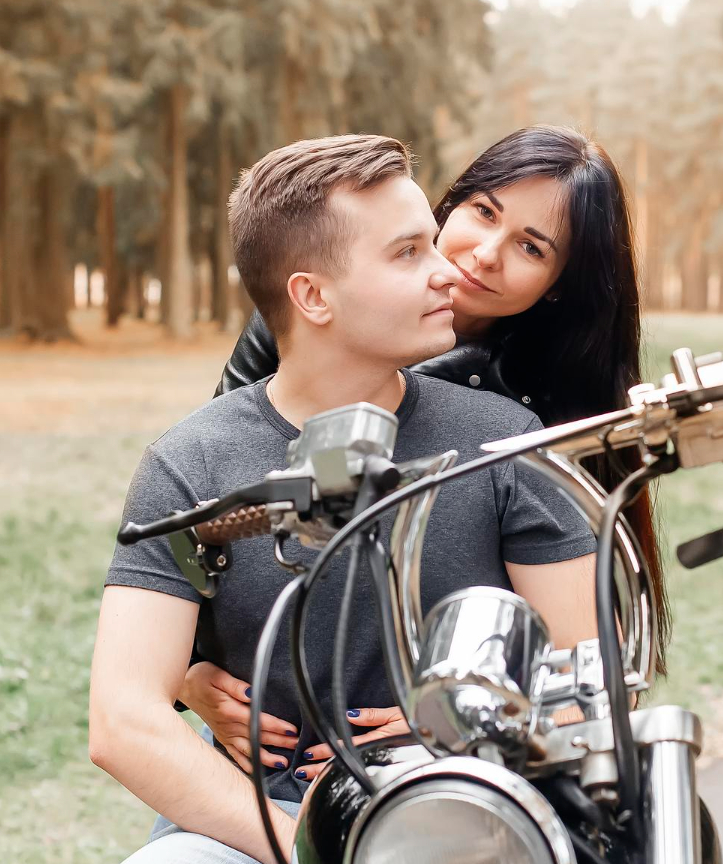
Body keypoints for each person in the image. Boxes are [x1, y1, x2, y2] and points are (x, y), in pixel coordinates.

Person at [63, 134, 599, 864]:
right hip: (261, 838)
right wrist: (308, 853)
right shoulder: (190, 461)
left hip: (468, 846)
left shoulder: (508, 440)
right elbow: (123, 719)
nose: (448, 269)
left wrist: (474, 736)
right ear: (313, 297)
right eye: (409, 253)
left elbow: (583, 685)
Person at [179, 125, 670, 778]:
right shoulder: (316, 311)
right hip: (275, 747)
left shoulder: (532, 411)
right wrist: (192, 674)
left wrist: (459, 719)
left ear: (558, 284)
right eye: (483, 212)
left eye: (531, 246)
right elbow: (218, 496)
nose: (486, 253)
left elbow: (591, 657)